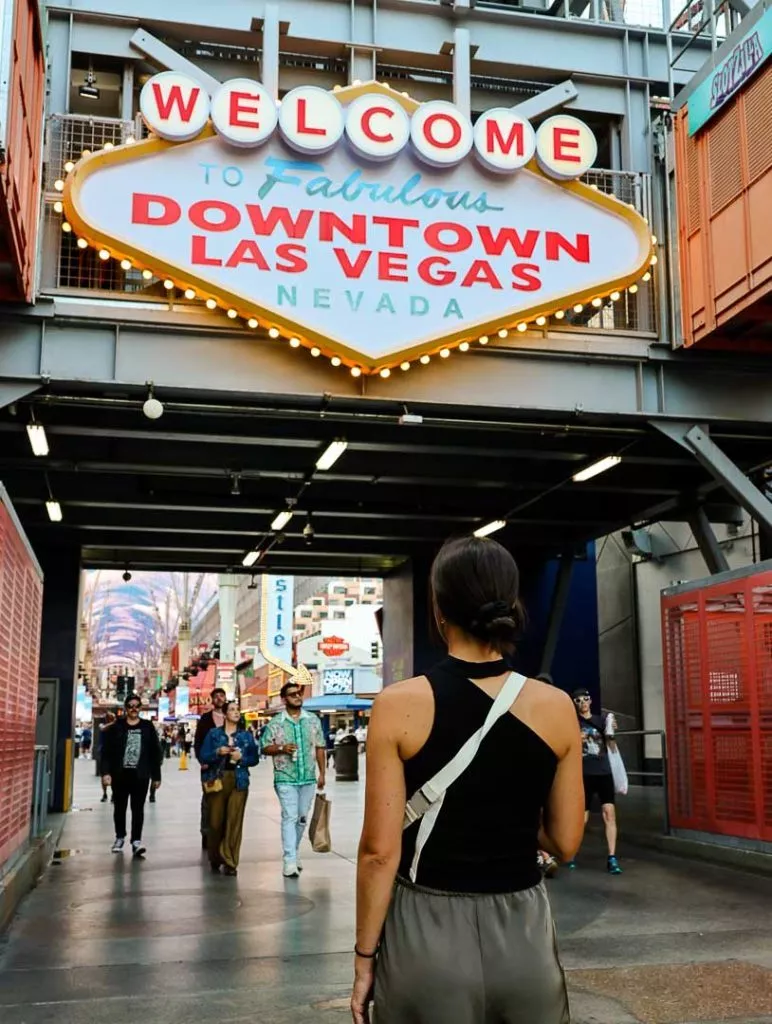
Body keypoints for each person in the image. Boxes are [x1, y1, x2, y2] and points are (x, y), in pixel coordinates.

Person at [351, 535, 584, 1024]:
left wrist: (364, 958)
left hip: (426, 934)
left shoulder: (398, 705)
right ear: (510, 605)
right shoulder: (557, 707)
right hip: (524, 936)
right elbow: (565, 841)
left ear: (439, 609)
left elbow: (379, 851)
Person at [262, 683, 327, 878]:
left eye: (299, 693)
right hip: (285, 777)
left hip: (307, 777)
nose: (297, 697)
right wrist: (281, 748)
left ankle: (294, 851)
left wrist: (322, 773)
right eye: (292, 694)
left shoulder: (313, 720)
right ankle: (289, 859)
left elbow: (320, 747)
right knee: (289, 816)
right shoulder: (276, 723)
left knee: (301, 818)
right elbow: (265, 747)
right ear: (284, 699)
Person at [200, 701, 259, 875]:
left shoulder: (246, 736)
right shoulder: (214, 734)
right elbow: (203, 755)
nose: (236, 712)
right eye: (232, 710)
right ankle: (215, 856)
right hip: (218, 779)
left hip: (239, 780)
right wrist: (217, 752)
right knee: (216, 821)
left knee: (234, 821)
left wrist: (242, 758)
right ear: (225, 714)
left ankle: (230, 861)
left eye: (237, 709)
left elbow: (254, 758)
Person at [101, 694, 163, 858]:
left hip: (140, 775)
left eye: (137, 706)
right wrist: (106, 773)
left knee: (138, 809)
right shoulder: (117, 727)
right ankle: (120, 837)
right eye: (130, 706)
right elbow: (107, 752)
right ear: (126, 708)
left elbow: (155, 752)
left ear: (140, 708)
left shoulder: (147, 727)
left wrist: (156, 776)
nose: (134, 709)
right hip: (120, 774)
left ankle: (136, 841)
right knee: (119, 808)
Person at [570, 687, 622, 875]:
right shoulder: (572, 724)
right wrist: (577, 738)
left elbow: (612, 746)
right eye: (578, 700)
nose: (583, 703)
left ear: (591, 701)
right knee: (581, 818)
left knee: (609, 813)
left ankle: (612, 857)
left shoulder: (602, 720)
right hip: (583, 774)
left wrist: (611, 733)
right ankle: (571, 851)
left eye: (585, 699)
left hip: (603, 773)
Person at [195, 687, 228, 849]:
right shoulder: (206, 719)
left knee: (227, 800)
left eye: (222, 696)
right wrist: (202, 760)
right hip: (210, 767)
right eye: (216, 696)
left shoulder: (232, 716)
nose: (219, 699)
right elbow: (198, 741)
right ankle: (206, 833)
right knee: (209, 801)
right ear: (212, 699)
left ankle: (223, 835)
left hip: (228, 766)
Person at [96, 713, 116, 802]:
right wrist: (114, 723)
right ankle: (104, 794)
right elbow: (102, 728)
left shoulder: (116, 727)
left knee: (114, 776)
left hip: (114, 754)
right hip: (104, 754)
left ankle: (113, 794)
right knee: (104, 775)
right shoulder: (103, 725)